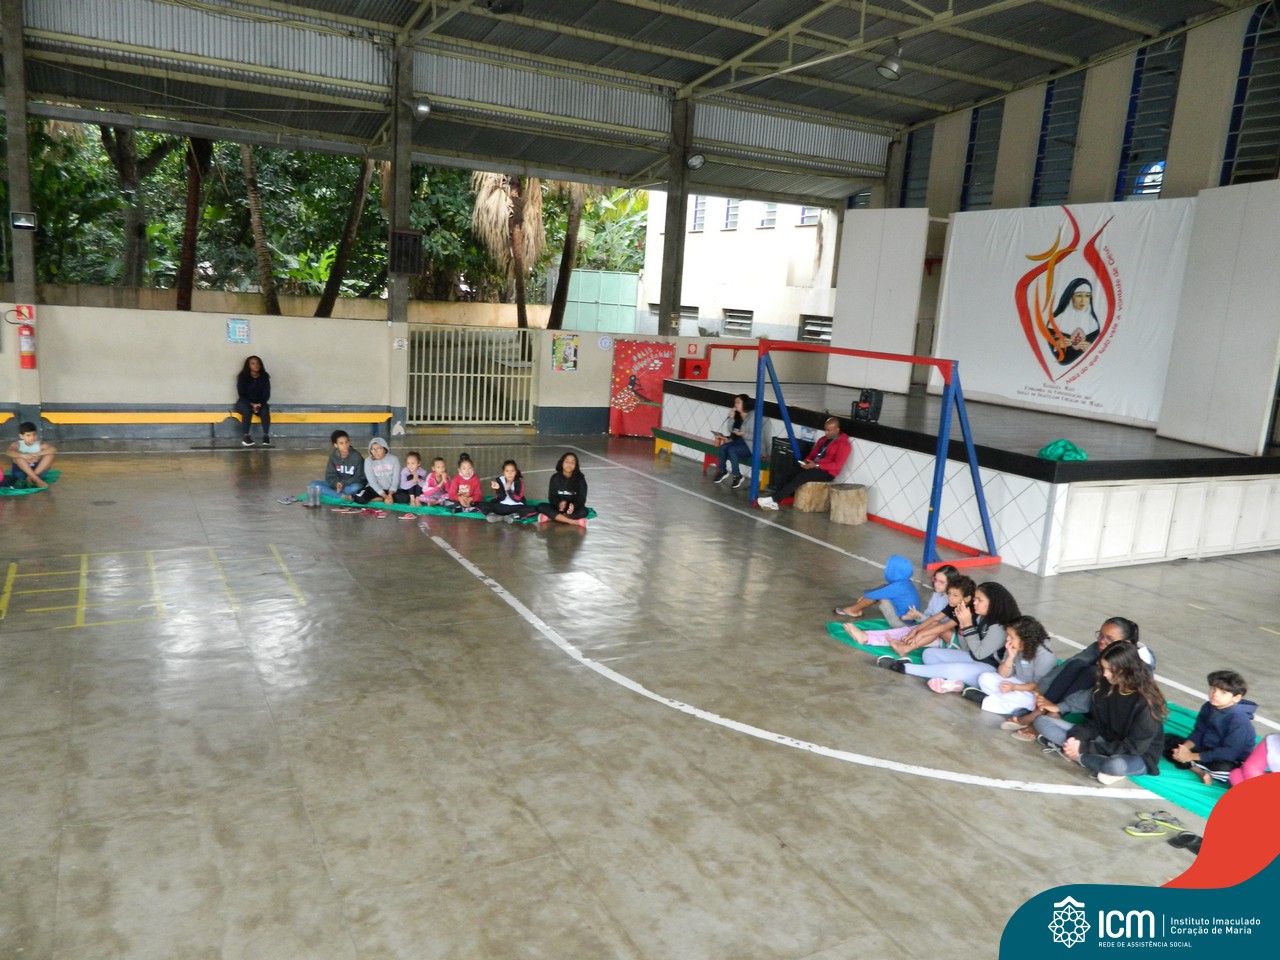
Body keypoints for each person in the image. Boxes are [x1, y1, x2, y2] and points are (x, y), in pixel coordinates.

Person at [1033, 641, 1167, 785]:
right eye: (1103, 668)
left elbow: (1134, 747)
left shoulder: (1147, 703)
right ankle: (1084, 756)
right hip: (1104, 740)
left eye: (1110, 670)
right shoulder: (1107, 685)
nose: (1105, 674)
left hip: (1136, 754)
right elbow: (1096, 723)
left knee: (1115, 765)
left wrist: (1083, 747)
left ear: (1127, 670)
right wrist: (1077, 739)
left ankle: (1078, 756)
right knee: (1042, 721)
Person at [1005, 617, 1149, 737]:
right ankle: (1040, 711)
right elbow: (1071, 664)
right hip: (1087, 695)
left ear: (1126, 643)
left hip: (1108, 706)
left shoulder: (1139, 664)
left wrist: (1059, 707)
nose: (1102, 641)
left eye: (1109, 639)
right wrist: (1041, 689)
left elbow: (1102, 691)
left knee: (1092, 672)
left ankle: (1052, 715)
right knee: (1077, 664)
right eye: (1100, 635)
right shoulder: (1099, 646)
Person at [879, 582, 1021, 692]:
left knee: (953, 669)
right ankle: (952, 684)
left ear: (993, 603)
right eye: (975, 599)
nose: (974, 603)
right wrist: (964, 624)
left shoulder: (999, 627)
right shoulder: (983, 617)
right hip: (974, 658)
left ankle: (904, 667)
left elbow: (979, 653)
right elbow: (966, 648)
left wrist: (967, 624)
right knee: (929, 654)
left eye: (979, 600)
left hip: (990, 669)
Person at [1165, 671, 1258, 785]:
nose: (1215, 694)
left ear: (1236, 698)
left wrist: (1190, 756)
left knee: (1223, 770)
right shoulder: (1208, 706)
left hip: (1229, 759)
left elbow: (1229, 752)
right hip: (1206, 749)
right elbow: (1199, 732)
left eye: (1223, 692)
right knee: (1166, 741)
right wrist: (1184, 748)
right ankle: (1200, 771)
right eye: (1213, 689)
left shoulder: (1239, 721)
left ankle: (1189, 762)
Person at [841, 566, 963, 652]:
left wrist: (918, 622)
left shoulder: (953, 602)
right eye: (935, 579)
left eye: (941, 582)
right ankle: (866, 636)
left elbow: (940, 625)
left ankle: (866, 638)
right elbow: (931, 618)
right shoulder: (937, 595)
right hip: (930, 628)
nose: (936, 584)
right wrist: (917, 620)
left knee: (904, 634)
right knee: (905, 632)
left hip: (939, 635)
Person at [757, 417, 851, 511]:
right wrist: (806, 462)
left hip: (827, 472)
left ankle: (774, 499)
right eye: (825, 430)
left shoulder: (844, 444)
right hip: (814, 465)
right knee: (790, 472)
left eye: (829, 430)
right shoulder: (823, 440)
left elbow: (837, 466)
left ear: (837, 430)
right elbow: (813, 454)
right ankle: (780, 496)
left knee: (801, 477)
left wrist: (817, 465)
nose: (826, 433)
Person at [972, 615, 1057, 714]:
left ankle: (990, 700)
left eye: (1012, 637)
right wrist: (1010, 657)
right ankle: (1004, 702)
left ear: (1025, 639)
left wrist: (1014, 687)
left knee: (1024, 699)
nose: (1008, 639)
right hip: (1015, 682)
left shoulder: (1045, 656)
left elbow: (1039, 686)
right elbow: (1003, 674)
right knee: (984, 678)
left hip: (1032, 691)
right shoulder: (1014, 647)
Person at [832, 554, 921, 628]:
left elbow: (874, 595)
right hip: (909, 620)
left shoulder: (898, 587)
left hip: (900, 624)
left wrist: (865, 596)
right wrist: (867, 595)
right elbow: (882, 589)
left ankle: (852, 610)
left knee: (880, 596)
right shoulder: (904, 583)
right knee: (883, 588)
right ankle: (857, 609)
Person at [1048, 278, 1100, 366]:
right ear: (1071, 296)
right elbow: (1061, 360)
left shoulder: (1094, 325)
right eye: (1079, 295)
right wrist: (1056, 345)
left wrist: (1090, 348)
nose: (1083, 300)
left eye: (1087, 295)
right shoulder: (1055, 322)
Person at [711, 394, 754, 490]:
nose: (735, 405)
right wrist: (732, 417)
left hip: (749, 445)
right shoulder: (738, 415)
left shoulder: (752, 417)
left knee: (732, 449)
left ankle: (737, 475)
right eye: (735, 402)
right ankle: (722, 471)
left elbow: (755, 435)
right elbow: (731, 430)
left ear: (745, 404)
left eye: (738, 402)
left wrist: (743, 433)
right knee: (723, 447)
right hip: (738, 442)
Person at [308, 429, 365, 501]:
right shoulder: (333, 457)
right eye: (341, 443)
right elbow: (329, 476)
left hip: (350, 485)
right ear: (335, 445)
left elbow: (360, 477)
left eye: (347, 442)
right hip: (336, 486)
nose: (345, 445)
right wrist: (336, 483)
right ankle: (341, 495)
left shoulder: (356, 457)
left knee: (356, 487)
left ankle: (333, 493)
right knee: (313, 485)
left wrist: (342, 483)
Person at [538, 451, 589, 526]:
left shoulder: (580, 479)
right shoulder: (555, 478)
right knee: (541, 506)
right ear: (562, 463)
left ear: (576, 465)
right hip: (558, 508)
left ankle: (552, 518)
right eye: (567, 461)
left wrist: (574, 505)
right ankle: (573, 521)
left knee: (584, 511)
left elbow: (582, 498)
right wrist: (559, 504)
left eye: (572, 462)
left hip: (572, 510)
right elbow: (552, 497)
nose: (569, 464)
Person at [5, 421, 57, 488]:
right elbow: (9, 452)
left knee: (50, 455)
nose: (32, 437)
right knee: (17, 458)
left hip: (37, 471)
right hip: (21, 472)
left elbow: (53, 449)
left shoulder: (40, 444)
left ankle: (31, 477)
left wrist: (37, 454)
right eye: (28, 435)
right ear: (21, 436)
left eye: (34, 434)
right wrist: (24, 456)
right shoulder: (17, 444)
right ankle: (37, 480)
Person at [234, 355, 271, 446]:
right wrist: (251, 404)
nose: (256, 365)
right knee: (247, 411)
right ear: (248, 365)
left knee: (265, 409)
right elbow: (241, 394)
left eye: (257, 363)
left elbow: (266, 394)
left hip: (259, 403)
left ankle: (266, 436)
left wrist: (260, 404)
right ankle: (246, 437)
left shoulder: (264, 377)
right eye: (253, 363)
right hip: (244, 402)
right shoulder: (243, 377)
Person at [353, 436, 400, 506]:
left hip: (390, 490)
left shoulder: (394, 459)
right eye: (372, 449)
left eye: (378, 448)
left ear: (384, 449)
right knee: (359, 498)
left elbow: (395, 479)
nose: (375, 451)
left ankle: (382, 499)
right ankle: (382, 499)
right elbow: (372, 481)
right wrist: (384, 496)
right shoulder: (368, 461)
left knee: (405, 498)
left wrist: (390, 494)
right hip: (374, 489)